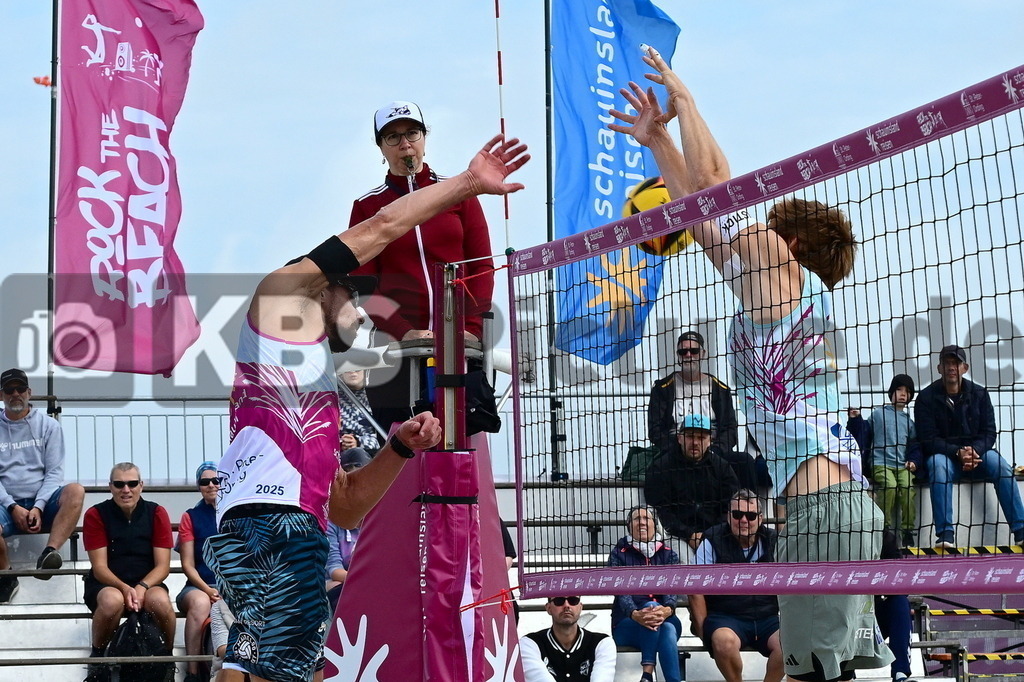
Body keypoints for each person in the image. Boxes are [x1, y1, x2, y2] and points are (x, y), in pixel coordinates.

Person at [609, 49, 892, 681]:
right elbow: (701, 218)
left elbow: (717, 189)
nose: (753, 225)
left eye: (766, 222)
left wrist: (686, 102)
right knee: (824, 670)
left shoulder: (780, 265)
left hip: (828, 511)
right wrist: (658, 140)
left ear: (789, 243)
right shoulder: (769, 294)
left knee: (810, 673)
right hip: (821, 509)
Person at [206, 133, 529, 682]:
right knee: (269, 667)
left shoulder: (314, 389)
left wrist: (400, 446)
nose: (359, 307)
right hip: (275, 522)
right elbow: (381, 228)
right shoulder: (284, 293)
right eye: (351, 294)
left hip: (280, 521)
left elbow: (347, 509)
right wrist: (469, 184)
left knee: (259, 663)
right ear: (325, 288)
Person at [349, 101, 497, 427]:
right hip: (394, 351)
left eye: (412, 133)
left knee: (460, 447)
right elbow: (364, 285)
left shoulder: (459, 192)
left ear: (425, 138)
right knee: (401, 455)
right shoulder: (367, 207)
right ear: (381, 148)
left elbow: (483, 267)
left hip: (459, 346)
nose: (405, 143)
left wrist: (469, 329)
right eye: (393, 137)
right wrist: (404, 332)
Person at [914, 344, 1024, 549]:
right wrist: (957, 452)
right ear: (939, 368)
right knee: (937, 465)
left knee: (1001, 465)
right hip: (947, 457)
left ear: (965, 367)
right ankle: (945, 536)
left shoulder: (980, 394)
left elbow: (989, 432)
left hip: (977, 455)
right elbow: (927, 439)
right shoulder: (925, 398)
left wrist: (974, 451)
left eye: (955, 363)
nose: (951, 367)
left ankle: (1021, 531)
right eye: (947, 363)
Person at [83, 463, 176, 680]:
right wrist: (125, 588)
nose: (126, 490)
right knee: (112, 601)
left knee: (160, 602)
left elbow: (163, 566)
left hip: (147, 582)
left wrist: (142, 587)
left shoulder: (157, 513)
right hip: (107, 584)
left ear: (141, 486)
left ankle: (167, 659)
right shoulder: (95, 514)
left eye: (132, 483)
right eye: (119, 484)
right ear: (110, 487)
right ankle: (98, 659)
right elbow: (100, 568)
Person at [0, 367, 85, 602]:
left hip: (43, 502)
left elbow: (54, 473)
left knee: (75, 491)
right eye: (9, 390)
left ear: (29, 392)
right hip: (6, 506)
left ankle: (49, 553)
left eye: (20, 389)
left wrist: (38, 506)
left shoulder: (49, 426)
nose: (15, 394)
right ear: (1, 395)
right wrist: (12, 507)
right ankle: (5, 576)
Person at [689, 490, 783, 682]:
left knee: (791, 644)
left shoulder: (774, 541)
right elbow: (695, 590)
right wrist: (704, 632)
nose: (744, 520)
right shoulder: (712, 540)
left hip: (767, 618)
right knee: (723, 642)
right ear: (728, 515)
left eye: (751, 515)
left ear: (761, 518)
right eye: (737, 514)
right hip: (726, 618)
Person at [648, 331, 761, 490]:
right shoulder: (662, 389)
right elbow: (655, 430)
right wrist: (680, 448)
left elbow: (730, 429)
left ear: (703, 354)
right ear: (678, 355)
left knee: (745, 461)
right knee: (655, 470)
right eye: (683, 351)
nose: (688, 355)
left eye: (693, 351)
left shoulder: (720, 389)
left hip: (714, 451)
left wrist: (714, 450)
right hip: (676, 453)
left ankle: (750, 510)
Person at [608, 506, 683, 682]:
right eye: (636, 519)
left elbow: (671, 591)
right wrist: (635, 614)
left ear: (654, 524)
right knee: (667, 629)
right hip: (626, 624)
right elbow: (621, 593)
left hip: (665, 616)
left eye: (646, 518)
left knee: (659, 615)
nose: (641, 522)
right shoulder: (618, 554)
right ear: (629, 525)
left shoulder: (669, 554)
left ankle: (647, 675)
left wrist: (667, 610)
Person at [644, 414, 740, 549]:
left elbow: (730, 507)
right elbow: (660, 510)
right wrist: (688, 535)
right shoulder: (659, 468)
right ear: (679, 438)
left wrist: (709, 535)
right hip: (675, 536)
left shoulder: (722, 468)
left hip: (717, 535)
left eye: (701, 438)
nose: (695, 442)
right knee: (681, 561)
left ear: (710, 441)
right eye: (690, 436)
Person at [852, 375, 921, 547]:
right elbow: (863, 434)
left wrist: (913, 460)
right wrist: (855, 420)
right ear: (891, 393)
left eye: (907, 391)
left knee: (906, 488)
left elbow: (915, 446)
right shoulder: (878, 414)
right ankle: (885, 528)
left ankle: (907, 531)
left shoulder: (909, 422)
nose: (903, 394)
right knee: (889, 486)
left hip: (902, 466)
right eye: (899, 389)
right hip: (880, 463)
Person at [175, 462, 221, 682]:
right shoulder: (190, 517)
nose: (211, 485)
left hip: (232, 586)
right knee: (201, 602)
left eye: (216, 480)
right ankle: (192, 673)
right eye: (205, 482)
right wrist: (208, 589)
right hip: (198, 586)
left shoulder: (238, 513)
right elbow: (188, 566)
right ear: (199, 486)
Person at [521, 596, 616, 682]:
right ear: (548, 608)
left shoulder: (602, 643)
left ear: (580, 607)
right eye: (559, 601)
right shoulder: (530, 643)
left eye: (573, 601)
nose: (566, 605)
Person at [325, 448, 371, 612]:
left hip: (368, 581)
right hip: (344, 581)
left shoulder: (382, 520)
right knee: (335, 585)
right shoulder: (331, 521)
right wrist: (367, 581)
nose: (357, 495)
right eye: (350, 486)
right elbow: (334, 570)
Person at [874, 529, 914, 682]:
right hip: (847, 613)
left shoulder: (882, 535)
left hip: (875, 615)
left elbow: (899, 579)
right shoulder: (841, 535)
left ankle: (900, 674)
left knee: (900, 602)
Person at [338, 369, 381, 457]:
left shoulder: (377, 398)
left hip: (371, 454)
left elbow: (385, 437)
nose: (353, 372)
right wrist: (342, 442)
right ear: (341, 373)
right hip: (338, 453)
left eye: (357, 369)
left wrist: (358, 441)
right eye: (347, 369)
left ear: (365, 371)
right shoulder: (331, 399)